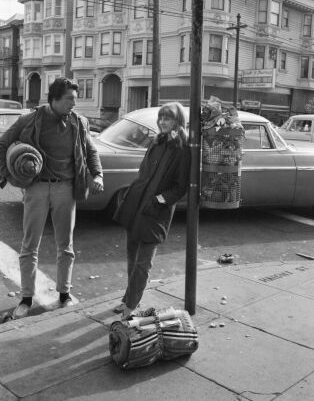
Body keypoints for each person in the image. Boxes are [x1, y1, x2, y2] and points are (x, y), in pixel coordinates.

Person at [0, 78, 104, 319]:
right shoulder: (30, 119)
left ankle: (64, 295)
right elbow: (3, 143)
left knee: (65, 246)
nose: (73, 105)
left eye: (75, 100)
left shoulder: (79, 122)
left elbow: (91, 151)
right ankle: (26, 298)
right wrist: (6, 174)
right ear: (54, 98)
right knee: (29, 246)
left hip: (66, 189)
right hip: (36, 188)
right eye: (69, 99)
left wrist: (97, 174)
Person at [113, 102, 190, 318]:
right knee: (131, 257)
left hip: (156, 211)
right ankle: (129, 299)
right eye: (161, 118)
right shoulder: (156, 141)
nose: (163, 122)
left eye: (168, 118)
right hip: (136, 204)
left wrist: (159, 200)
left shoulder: (183, 148)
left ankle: (130, 306)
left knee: (143, 262)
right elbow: (143, 171)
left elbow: (180, 187)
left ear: (178, 121)